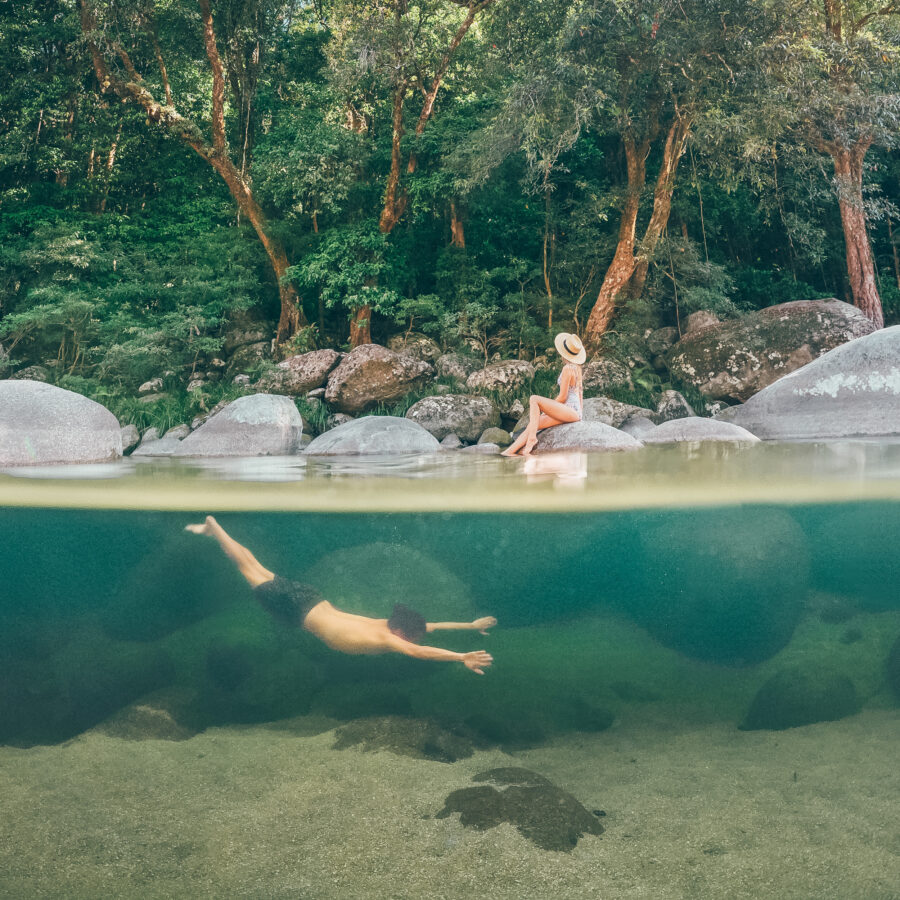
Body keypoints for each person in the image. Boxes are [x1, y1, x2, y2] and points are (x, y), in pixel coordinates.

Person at [185, 516, 496, 674]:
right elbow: (420, 652)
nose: (413, 641)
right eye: (409, 637)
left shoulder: (385, 624)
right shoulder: (388, 638)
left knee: (256, 567)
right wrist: (461, 657)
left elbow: (434, 626)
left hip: (311, 598)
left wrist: (470, 626)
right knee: (246, 568)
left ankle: (217, 529)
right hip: (298, 611)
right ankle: (216, 528)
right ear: (400, 632)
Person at [502, 332, 586, 457]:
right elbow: (580, 394)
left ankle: (531, 439)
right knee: (536, 422)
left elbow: (563, 397)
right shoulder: (577, 369)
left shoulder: (567, 369)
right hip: (573, 412)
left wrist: (548, 410)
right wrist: (580, 415)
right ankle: (509, 452)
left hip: (570, 410)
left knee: (534, 399)